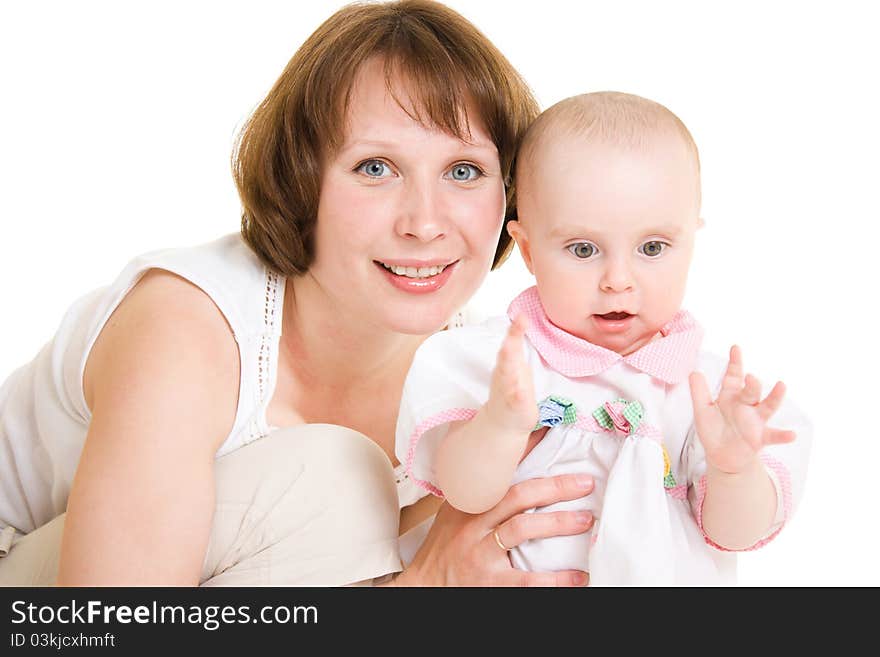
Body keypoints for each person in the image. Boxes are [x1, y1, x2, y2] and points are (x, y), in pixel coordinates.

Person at [0, 0, 596, 587]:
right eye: (375, 167)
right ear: (300, 178)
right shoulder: (185, 327)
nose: (424, 223)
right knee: (336, 480)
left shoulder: (488, 378)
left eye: (463, 171)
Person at [395, 91, 812, 585]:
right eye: (584, 248)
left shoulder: (708, 393)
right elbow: (465, 492)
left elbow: (736, 534)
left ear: (691, 243)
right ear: (528, 250)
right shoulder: (504, 362)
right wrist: (500, 426)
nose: (618, 279)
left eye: (652, 247)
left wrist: (734, 468)